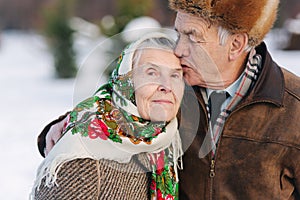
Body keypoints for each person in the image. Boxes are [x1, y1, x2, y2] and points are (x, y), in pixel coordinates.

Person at [38, 0, 300, 199]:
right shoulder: (175, 86)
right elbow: (122, 101)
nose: (178, 49)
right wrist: (72, 122)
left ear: (235, 45)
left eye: (193, 37)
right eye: (179, 33)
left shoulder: (294, 110)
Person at [31, 32, 185, 200]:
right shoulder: (83, 154)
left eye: (175, 75)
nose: (167, 86)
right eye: (152, 73)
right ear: (126, 82)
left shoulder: (171, 135)